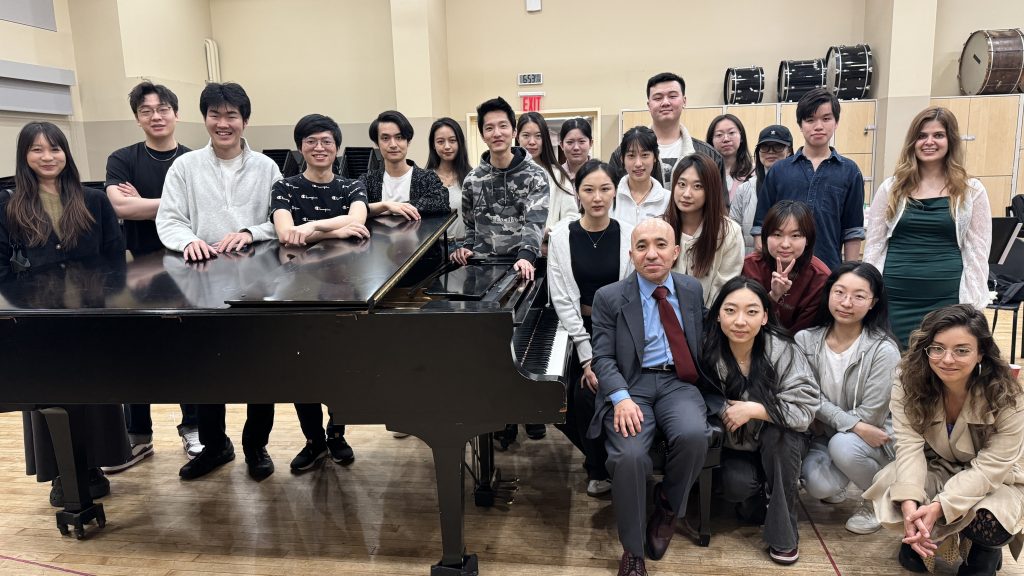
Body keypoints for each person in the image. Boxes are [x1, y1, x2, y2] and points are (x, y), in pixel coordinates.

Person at [156, 82, 281, 482]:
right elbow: (169, 218)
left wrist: (249, 231)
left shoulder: (267, 167)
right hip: (202, 283)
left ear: (245, 121)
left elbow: (280, 220)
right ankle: (215, 446)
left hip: (257, 283)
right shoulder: (185, 166)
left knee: (259, 369)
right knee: (207, 370)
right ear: (205, 118)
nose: (223, 123)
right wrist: (188, 240)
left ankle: (256, 445)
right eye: (215, 115)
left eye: (232, 116)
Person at [0, 121, 129, 506]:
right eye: (37, 149)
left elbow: (114, 258)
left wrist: (108, 303)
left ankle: (93, 466)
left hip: (88, 314)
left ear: (66, 153)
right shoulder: (7, 206)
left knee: (93, 393)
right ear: (24, 155)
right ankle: (61, 472)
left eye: (54, 149)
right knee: (51, 398)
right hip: (39, 320)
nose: (47, 157)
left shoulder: (94, 200)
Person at [864, 305, 1024, 576]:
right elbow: (909, 447)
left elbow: (991, 467)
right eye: (937, 349)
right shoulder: (907, 381)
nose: (947, 359)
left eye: (961, 350)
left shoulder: (1008, 395)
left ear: (981, 353)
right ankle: (921, 538)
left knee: (992, 517)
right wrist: (910, 506)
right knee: (893, 486)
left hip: (996, 477)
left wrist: (940, 507)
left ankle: (983, 550)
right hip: (935, 466)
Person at [590, 217, 710, 575]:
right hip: (632, 385)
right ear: (631, 254)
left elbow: (707, 341)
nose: (652, 253)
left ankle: (668, 506)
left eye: (661, 245)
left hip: (678, 382)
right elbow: (603, 357)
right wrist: (620, 397)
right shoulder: (609, 297)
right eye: (642, 246)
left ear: (675, 252)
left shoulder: (691, 289)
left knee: (694, 435)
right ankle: (633, 551)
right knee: (629, 457)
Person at [102, 81, 201, 470]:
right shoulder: (122, 159)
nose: (156, 116)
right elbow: (121, 208)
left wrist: (145, 202)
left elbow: (201, 212)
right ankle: (138, 435)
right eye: (146, 110)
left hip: (190, 268)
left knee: (186, 353)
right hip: (139, 269)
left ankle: (193, 428)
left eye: (163, 109)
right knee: (135, 352)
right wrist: (177, 203)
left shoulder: (194, 160)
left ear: (176, 114)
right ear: (137, 118)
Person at [270, 114, 369, 472]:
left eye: (326, 141)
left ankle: (336, 435)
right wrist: (337, 231)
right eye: (311, 141)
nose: (319, 147)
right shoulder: (285, 187)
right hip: (299, 293)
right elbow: (285, 233)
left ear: (337, 147)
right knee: (304, 372)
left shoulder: (353, 186)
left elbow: (358, 221)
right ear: (300, 148)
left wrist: (311, 226)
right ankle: (314, 441)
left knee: (342, 370)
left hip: (344, 291)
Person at [701, 277, 818, 565]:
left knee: (778, 438)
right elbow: (697, 397)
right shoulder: (707, 350)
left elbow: (805, 410)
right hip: (737, 445)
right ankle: (762, 495)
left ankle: (784, 536)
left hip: (783, 440)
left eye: (751, 311)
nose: (740, 321)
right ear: (717, 315)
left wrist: (756, 410)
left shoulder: (782, 349)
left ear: (765, 316)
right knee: (736, 486)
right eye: (730, 310)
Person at [864, 106, 992, 347]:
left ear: (950, 140)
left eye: (938, 135)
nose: (929, 142)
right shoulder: (891, 188)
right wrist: (868, 291)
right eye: (922, 136)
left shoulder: (971, 190)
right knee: (891, 359)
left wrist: (972, 306)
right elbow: (874, 246)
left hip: (946, 298)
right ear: (913, 142)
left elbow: (978, 252)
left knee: (940, 359)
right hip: (895, 296)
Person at [548, 159, 634, 497]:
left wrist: (602, 354)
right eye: (589, 190)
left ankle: (599, 467)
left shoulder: (629, 232)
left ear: (615, 191)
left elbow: (632, 295)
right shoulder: (561, 236)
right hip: (575, 329)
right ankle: (599, 456)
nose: (597, 197)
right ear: (577, 193)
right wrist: (587, 356)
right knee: (556, 399)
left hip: (618, 329)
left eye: (605, 189)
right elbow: (562, 299)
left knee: (590, 394)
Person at [796, 262, 900, 535]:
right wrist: (848, 424)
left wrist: (825, 419)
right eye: (839, 292)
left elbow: (871, 417)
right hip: (830, 435)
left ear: (873, 302)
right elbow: (805, 395)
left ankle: (879, 500)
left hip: (874, 438)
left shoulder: (883, 350)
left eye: (859, 296)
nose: (846, 302)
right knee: (818, 486)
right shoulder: (805, 340)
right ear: (828, 293)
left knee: (843, 446)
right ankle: (843, 477)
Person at [753, 88, 865, 270]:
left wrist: (849, 272)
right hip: (781, 269)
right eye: (810, 120)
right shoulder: (779, 170)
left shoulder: (850, 171)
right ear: (800, 124)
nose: (818, 126)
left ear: (836, 122)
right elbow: (760, 227)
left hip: (828, 268)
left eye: (826, 119)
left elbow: (852, 231)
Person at [450, 97, 548, 283]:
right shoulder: (472, 180)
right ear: (482, 135)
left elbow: (535, 222)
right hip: (481, 268)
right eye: (489, 128)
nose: (497, 133)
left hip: (523, 266)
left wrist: (525, 257)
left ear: (514, 131)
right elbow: (471, 226)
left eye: (503, 126)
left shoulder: (536, 175)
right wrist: (467, 248)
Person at [608, 72, 724, 186]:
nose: (665, 102)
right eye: (658, 98)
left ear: (684, 101)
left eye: (672, 96)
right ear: (649, 105)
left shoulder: (709, 155)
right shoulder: (622, 154)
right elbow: (612, 195)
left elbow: (718, 198)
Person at [663, 153, 743, 306]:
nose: (687, 194)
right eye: (681, 184)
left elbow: (724, 288)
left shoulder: (729, 232)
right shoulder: (661, 226)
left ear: (711, 190)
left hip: (708, 316)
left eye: (697, 186)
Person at [742, 200, 831, 333]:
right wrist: (774, 296)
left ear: (807, 240)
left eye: (795, 235)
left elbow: (805, 333)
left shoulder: (820, 277)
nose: (785, 244)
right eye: (777, 234)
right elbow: (743, 318)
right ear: (765, 236)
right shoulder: (750, 266)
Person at [359, 110, 450, 221]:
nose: (393, 145)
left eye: (399, 137)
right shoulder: (368, 180)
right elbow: (351, 209)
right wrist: (384, 206)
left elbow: (442, 202)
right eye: (385, 138)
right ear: (377, 143)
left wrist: (396, 208)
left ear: (408, 141)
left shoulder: (426, 178)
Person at [732, 125, 793, 254]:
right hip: (752, 260)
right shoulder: (744, 189)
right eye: (765, 147)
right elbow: (733, 230)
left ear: (789, 151)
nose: (771, 152)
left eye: (778, 146)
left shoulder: (798, 185)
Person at [516, 112, 577, 232]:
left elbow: (572, 217)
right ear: (518, 138)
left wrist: (549, 231)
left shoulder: (558, 175)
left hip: (548, 242)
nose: (532, 141)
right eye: (526, 135)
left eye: (538, 136)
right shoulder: (508, 174)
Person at [610, 127, 670, 229]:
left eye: (645, 155)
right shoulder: (611, 196)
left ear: (655, 157)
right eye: (631, 156)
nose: (638, 163)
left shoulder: (668, 199)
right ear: (622, 159)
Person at [425, 117, 473, 243]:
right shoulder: (424, 179)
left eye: (452, 140)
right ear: (433, 145)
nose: (447, 146)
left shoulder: (472, 177)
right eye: (440, 141)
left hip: (465, 247)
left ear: (460, 143)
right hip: (433, 248)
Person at [707, 114, 754, 204]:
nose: (726, 139)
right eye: (719, 135)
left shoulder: (753, 173)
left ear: (741, 137)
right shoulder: (705, 172)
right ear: (711, 141)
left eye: (731, 133)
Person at [559, 117, 593, 181]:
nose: (576, 147)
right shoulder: (554, 176)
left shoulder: (601, 174)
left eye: (581, 141)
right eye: (570, 142)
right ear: (562, 145)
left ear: (590, 143)